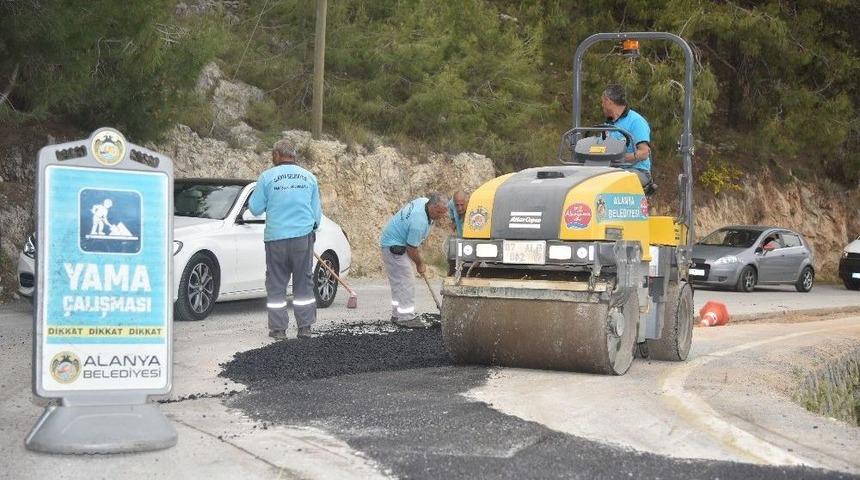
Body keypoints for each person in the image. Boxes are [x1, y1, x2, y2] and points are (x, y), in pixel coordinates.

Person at [249, 140, 322, 340]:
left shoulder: (267, 177)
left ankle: (278, 329)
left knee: (276, 283)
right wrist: (309, 230)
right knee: (303, 281)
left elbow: (254, 208)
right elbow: (317, 216)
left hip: (276, 239)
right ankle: (305, 327)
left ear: (276, 155)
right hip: (302, 238)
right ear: (294, 156)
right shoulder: (309, 178)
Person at [380, 193, 449, 328]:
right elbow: (411, 248)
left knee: (398, 282)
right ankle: (406, 317)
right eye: (439, 212)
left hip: (389, 242)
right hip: (394, 248)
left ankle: (397, 314)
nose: (440, 216)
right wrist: (419, 263)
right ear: (432, 206)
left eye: (443, 213)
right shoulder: (420, 222)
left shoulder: (423, 201)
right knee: (407, 281)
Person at [601, 84, 653, 188]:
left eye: (602, 102)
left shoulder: (636, 121)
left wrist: (620, 158)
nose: (602, 105)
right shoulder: (608, 124)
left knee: (611, 181)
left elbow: (644, 152)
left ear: (608, 102)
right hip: (612, 170)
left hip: (637, 171)